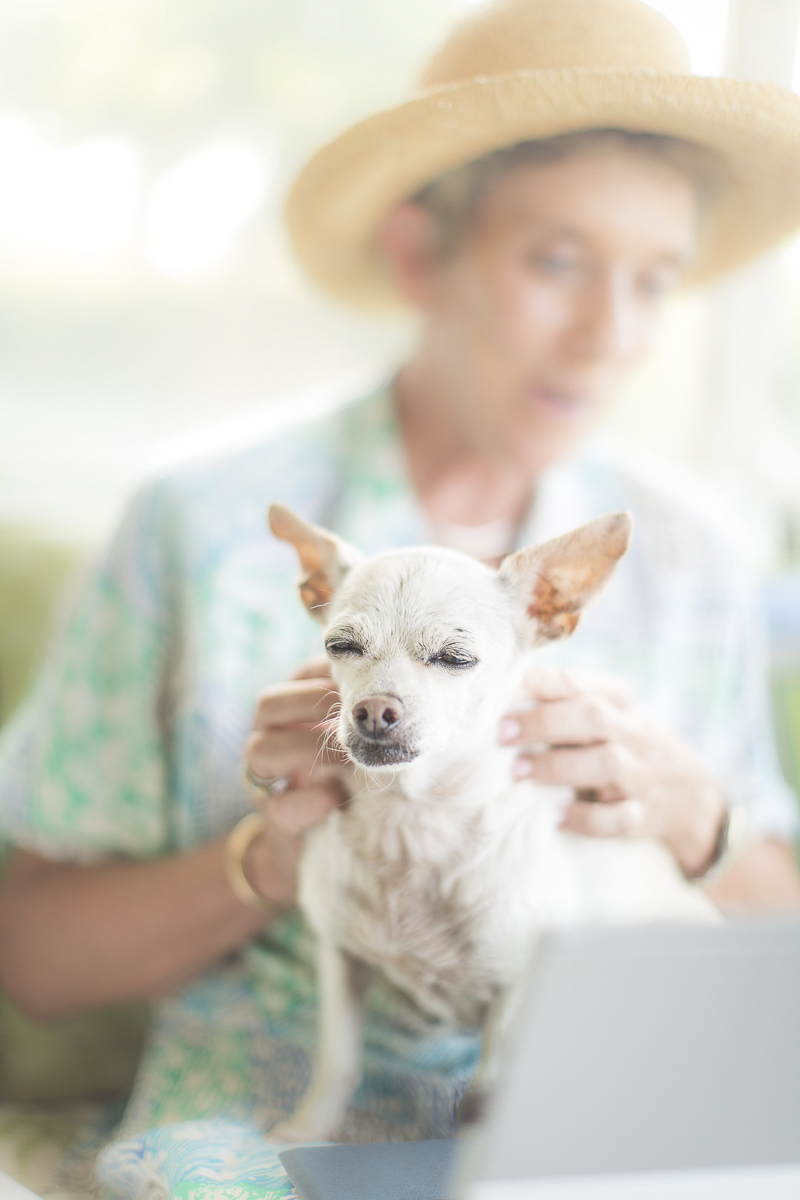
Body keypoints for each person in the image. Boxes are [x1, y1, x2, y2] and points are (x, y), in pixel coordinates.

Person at [2, 0, 800, 1154]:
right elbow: (34, 963)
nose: (608, 335)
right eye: (558, 261)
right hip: (265, 1132)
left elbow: (772, 958)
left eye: (652, 279)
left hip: (586, 1133)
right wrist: (264, 856)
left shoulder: (689, 554)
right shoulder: (204, 529)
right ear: (422, 252)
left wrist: (690, 818)